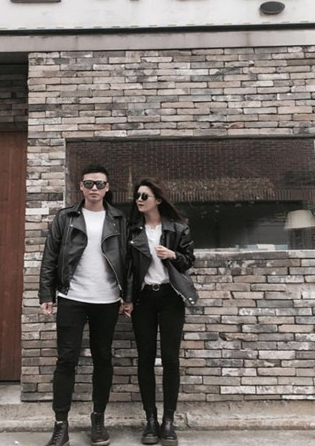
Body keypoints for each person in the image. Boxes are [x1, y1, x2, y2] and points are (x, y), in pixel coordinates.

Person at [39, 164, 133, 446]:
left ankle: (98, 420)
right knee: (66, 359)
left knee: (103, 358)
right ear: (80, 186)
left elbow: (128, 261)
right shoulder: (65, 217)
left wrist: (128, 296)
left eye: (100, 184)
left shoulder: (119, 219)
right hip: (72, 298)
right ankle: (60, 425)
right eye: (89, 183)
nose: (94, 189)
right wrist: (46, 294)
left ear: (107, 188)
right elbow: (50, 256)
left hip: (107, 299)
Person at [128, 179, 196, 446]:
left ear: (157, 200)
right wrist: (128, 299)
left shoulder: (178, 228)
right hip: (144, 298)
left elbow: (189, 261)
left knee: (170, 359)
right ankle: (150, 419)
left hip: (170, 297)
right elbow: (128, 268)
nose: (139, 199)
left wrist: (172, 254)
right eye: (137, 195)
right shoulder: (133, 230)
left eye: (144, 196)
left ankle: (168, 420)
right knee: (145, 358)